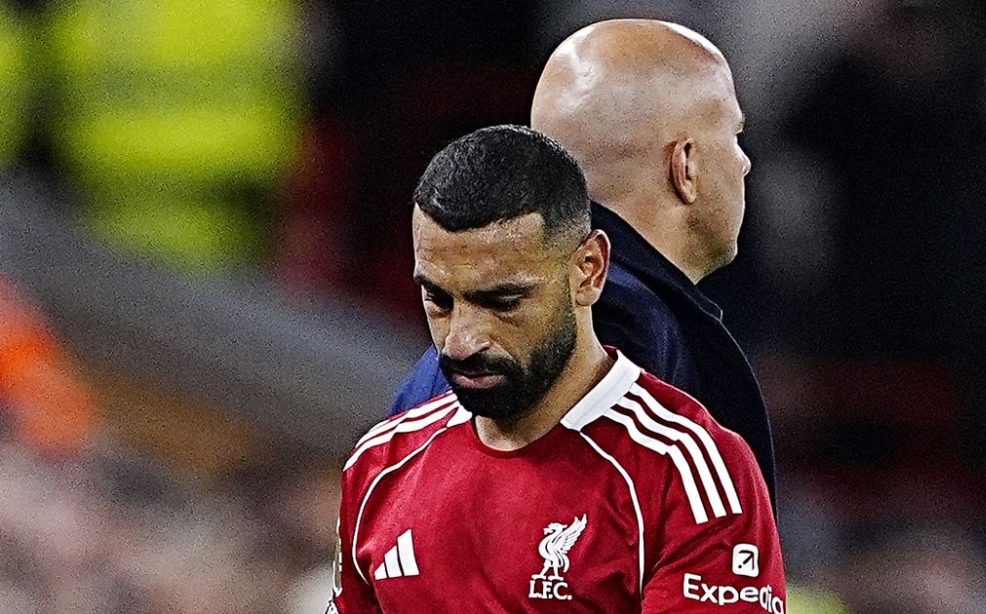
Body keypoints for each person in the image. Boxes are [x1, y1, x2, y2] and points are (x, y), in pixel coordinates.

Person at [331, 125, 785, 612]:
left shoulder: (685, 474)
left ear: (589, 270)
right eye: (438, 300)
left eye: (503, 301)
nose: (461, 341)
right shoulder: (379, 467)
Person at [389, 19, 777, 505]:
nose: (743, 162)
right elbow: (550, 541)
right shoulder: (598, 319)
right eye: (734, 136)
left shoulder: (449, 358)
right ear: (686, 165)